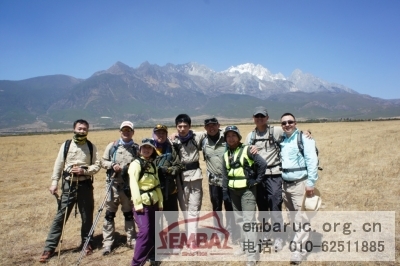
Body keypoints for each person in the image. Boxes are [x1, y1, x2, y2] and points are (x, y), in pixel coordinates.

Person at [39, 119, 101, 263]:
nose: (82, 131)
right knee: (60, 217)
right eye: (80, 128)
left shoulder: (91, 147)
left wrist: (84, 170)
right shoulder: (66, 145)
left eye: (85, 129)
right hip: (68, 186)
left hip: (85, 186)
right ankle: (49, 248)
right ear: (74, 129)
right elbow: (58, 165)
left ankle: (87, 244)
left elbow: (96, 166)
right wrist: (54, 182)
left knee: (87, 217)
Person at [222, 125, 267, 266]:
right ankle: (244, 245)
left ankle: (252, 256)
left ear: (239, 137)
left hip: (247, 191)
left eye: (233, 135)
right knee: (240, 220)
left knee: (249, 222)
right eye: (228, 136)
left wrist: (257, 181)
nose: (231, 138)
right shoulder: (225, 154)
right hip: (233, 191)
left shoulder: (247, 150)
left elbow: (262, 164)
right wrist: (225, 191)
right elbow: (225, 175)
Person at [279, 113, 319, 264]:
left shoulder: (305, 139)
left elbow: (312, 161)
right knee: (292, 216)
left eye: (290, 122)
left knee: (302, 217)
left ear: (295, 123)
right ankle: (298, 241)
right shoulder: (282, 138)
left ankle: (298, 251)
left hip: (300, 184)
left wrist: (311, 183)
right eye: (284, 123)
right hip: (285, 185)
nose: (287, 124)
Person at [244, 106, 285, 250]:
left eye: (262, 116)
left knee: (275, 204)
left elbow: (292, 136)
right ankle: (266, 233)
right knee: (262, 207)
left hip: (274, 174)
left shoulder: (276, 131)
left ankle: (279, 236)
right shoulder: (250, 136)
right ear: (253, 118)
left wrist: (306, 134)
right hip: (259, 177)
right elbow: (246, 155)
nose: (259, 118)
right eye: (257, 116)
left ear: (267, 118)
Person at [100, 121, 139, 255]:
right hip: (112, 186)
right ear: (120, 132)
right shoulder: (112, 146)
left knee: (129, 214)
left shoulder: (136, 148)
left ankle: (132, 240)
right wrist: (112, 165)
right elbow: (103, 161)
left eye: (129, 130)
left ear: (133, 132)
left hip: (128, 187)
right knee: (109, 215)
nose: (126, 132)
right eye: (124, 130)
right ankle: (107, 243)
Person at [202, 117, 240, 244]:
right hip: (213, 182)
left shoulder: (227, 138)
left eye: (214, 125)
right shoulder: (203, 140)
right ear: (205, 128)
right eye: (208, 126)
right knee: (216, 207)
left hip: (228, 180)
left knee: (230, 206)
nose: (211, 128)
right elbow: (188, 135)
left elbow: (239, 145)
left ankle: (231, 231)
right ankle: (218, 231)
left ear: (219, 125)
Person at [149, 124, 183, 264]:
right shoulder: (148, 148)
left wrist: (169, 170)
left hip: (170, 190)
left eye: (163, 133)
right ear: (154, 134)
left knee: (172, 218)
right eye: (158, 133)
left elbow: (179, 165)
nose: (160, 135)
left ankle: (174, 243)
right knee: (155, 220)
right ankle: (155, 248)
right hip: (154, 191)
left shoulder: (172, 148)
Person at [171, 114, 206, 249]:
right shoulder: (173, 141)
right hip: (180, 179)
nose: (182, 129)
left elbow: (215, 131)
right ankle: (189, 235)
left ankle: (192, 240)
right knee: (184, 208)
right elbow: (156, 140)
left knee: (194, 207)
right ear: (176, 127)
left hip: (195, 177)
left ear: (190, 126)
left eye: (185, 126)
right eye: (179, 126)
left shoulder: (197, 136)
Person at [129, 138, 163, 266]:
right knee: (145, 232)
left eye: (149, 148)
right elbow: (133, 184)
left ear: (153, 150)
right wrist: (138, 205)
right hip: (142, 203)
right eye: (144, 148)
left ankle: (152, 256)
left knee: (154, 230)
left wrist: (160, 203)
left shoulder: (153, 164)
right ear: (140, 149)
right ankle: (137, 263)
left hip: (153, 201)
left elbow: (157, 184)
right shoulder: (136, 164)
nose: (147, 150)